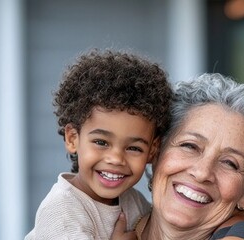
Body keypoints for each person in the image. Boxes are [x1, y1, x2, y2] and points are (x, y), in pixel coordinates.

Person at [26, 50, 173, 240]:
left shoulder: (133, 202)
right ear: (72, 138)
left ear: (152, 150)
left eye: (134, 148)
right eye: (101, 142)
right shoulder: (61, 211)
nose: (116, 159)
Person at [133, 73, 244, 240]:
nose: (202, 173)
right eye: (190, 146)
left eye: (230, 163)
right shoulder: (102, 224)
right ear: (156, 153)